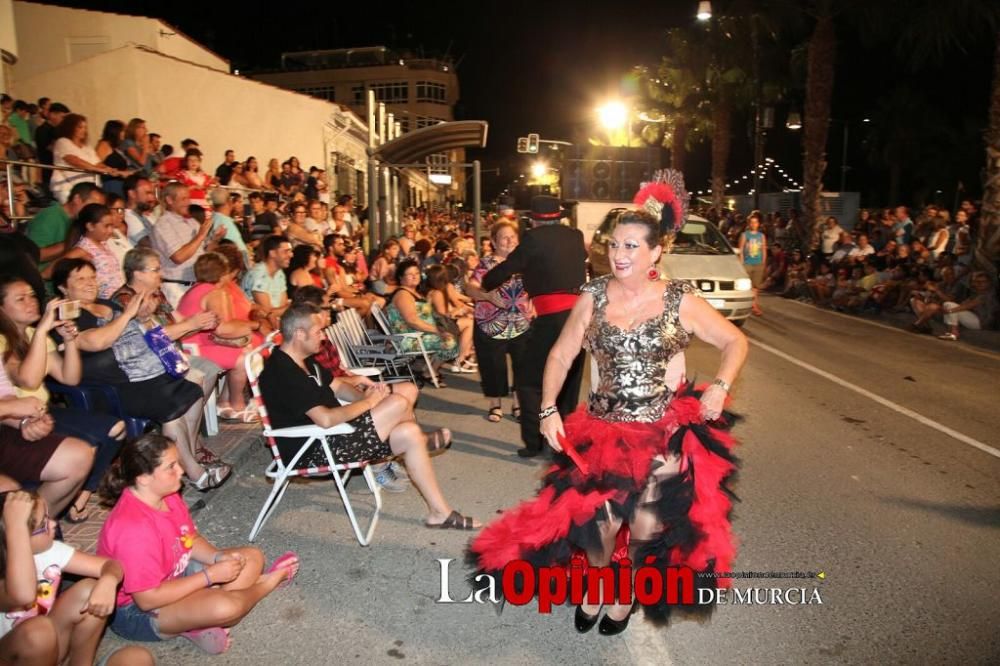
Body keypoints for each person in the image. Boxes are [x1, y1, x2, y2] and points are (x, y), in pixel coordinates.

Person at [469, 204, 748, 635]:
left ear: (656, 252)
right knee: (598, 526)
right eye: (615, 244)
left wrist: (720, 385)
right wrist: (546, 409)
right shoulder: (594, 294)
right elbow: (562, 354)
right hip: (603, 430)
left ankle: (625, 595)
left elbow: (734, 340)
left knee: (645, 527)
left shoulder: (680, 298)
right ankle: (597, 586)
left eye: (632, 246)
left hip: (664, 431)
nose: (620, 253)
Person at [258, 304, 477, 528]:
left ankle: (440, 513)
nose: (323, 337)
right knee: (399, 402)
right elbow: (325, 419)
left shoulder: (305, 360)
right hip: (315, 449)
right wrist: (369, 403)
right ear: (299, 334)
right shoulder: (282, 372)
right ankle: (421, 441)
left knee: (408, 431)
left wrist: (371, 398)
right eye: (318, 332)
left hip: (337, 436)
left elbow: (338, 387)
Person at [97, 434, 299, 654]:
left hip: (175, 574)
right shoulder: (133, 528)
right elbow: (147, 599)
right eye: (171, 466)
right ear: (144, 478)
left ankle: (194, 620)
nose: (181, 471)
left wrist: (217, 558)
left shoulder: (166, 494)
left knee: (252, 557)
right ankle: (266, 583)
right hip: (137, 612)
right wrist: (209, 577)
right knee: (226, 607)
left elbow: (189, 538)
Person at [0, 276, 125, 523]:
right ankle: (35, 523)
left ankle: (80, 495)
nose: (30, 302)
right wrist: (41, 333)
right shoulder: (6, 339)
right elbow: (29, 380)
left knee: (116, 429)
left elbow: (70, 378)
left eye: (32, 296)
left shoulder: (36, 334)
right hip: (16, 418)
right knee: (85, 448)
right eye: (20, 299)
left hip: (40, 411)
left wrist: (68, 342)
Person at [480, 195, 587, 458]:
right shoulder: (575, 236)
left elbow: (508, 267)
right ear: (558, 216)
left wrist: (488, 281)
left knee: (528, 382)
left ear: (534, 220)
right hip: (579, 317)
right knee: (570, 382)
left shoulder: (533, 240)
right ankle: (565, 446)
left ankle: (533, 442)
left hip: (552, 319)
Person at [0, 489, 125, 665]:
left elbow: (110, 565)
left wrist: (108, 581)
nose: (53, 524)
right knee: (38, 631)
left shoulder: (49, 550)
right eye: (43, 524)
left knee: (89, 590)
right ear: (16, 538)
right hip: (13, 653)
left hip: (46, 646)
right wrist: (17, 526)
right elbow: (24, 595)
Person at [178, 253, 262, 423]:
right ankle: (237, 405)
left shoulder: (195, 288)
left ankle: (225, 403)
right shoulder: (214, 293)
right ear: (224, 274)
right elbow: (222, 329)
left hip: (191, 344)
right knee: (243, 359)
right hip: (196, 348)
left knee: (243, 350)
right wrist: (253, 326)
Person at [467, 221, 530, 423]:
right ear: (494, 241)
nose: (509, 240)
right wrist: (486, 296)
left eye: (513, 236)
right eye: (504, 237)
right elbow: (470, 288)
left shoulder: (526, 263)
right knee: (493, 366)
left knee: (523, 365)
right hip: (490, 324)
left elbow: (539, 287)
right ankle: (495, 404)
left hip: (522, 323)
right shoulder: (486, 264)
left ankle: (518, 403)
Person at [384, 259, 459, 383]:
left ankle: (428, 369)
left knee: (451, 338)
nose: (415, 276)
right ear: (401, 278)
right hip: (407, 339)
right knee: (450, 342)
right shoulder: (403, 294)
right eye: (410, 274)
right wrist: (438, 331)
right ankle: (429, 371)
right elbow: (412, 320)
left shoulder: (414, 293)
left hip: (417, 335)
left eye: (417, 273)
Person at [60, 203, 126, 298]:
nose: (111, 230)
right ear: (90, 226)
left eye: (112, 226)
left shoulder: (104, 244)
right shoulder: (82, 250)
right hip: (105, 301)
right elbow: (52, 271)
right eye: (106, 226)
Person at [738, 212, 767, 316]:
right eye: (752, 222)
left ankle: (754, 305)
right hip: (747, 263)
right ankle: (745, 305)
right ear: (749, 224)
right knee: (746, 286)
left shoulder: (761, 236)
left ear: (758, 224)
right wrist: (742, 263)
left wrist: (763, 263)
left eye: (756, 222)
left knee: (755, 287)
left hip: (758, 263)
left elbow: (763, 249)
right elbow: (741, 250)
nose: (754, 224)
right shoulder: (745, 235)